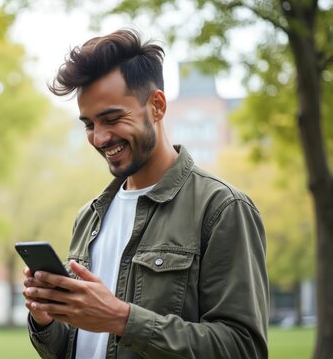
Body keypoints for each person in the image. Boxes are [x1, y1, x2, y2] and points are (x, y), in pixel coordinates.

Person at [22, 29, 269, 359]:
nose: (99, 138)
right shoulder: (89, 216)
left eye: (112, 118)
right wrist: (46, 319)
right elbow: (76, 347)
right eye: (89, 124)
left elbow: (243, 348)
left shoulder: (222, 208)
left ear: (157, 106)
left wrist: (122, 320)